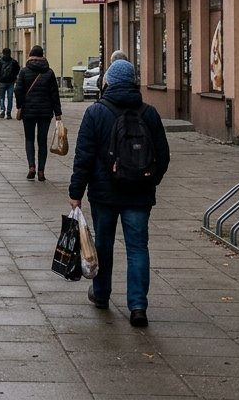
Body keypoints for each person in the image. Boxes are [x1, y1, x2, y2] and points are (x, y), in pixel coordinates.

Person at [69, 59, 170, 328]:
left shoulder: (96, 113)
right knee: (138, 248)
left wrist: (76, 191)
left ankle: (101, 295)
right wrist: (150, 181)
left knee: (103, 245)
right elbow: (162, 155)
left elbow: (84, 157)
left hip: (104, 195)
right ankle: (137, 306)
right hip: (139, 194)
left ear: (108, 82)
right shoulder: (149, 113)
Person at [14, 44, 62, 181]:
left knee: (29, 139)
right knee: (42, 141)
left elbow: (18, 90)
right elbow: (54, 94)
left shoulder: (24, 71)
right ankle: (41, 171)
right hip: (45, 112)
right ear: (42, 56)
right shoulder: (49, 72)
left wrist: (19, 105)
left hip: (28, 111)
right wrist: (58, 112)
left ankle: (31, 167)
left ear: (30, 56)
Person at [0, 48, 21, 119]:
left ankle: (2, 110)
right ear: (10, 53)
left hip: (2, 82)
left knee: (1, 97)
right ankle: (8, 113)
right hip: (11, 82)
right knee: (10, 98)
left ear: (3, 53)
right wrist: (14, 76)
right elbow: (18, 69)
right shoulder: (13, 61)